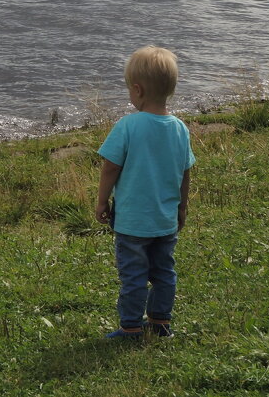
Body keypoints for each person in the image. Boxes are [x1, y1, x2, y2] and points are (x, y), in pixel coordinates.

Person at [95, 46, 195, 340]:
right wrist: (182, 208)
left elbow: (110, 168)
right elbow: (185, 172)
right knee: (164, 272)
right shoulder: (179, 128)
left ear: (137, 90)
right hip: (165, 220)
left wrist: (102, 200)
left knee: (134, 276)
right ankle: (160, 321)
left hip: (132, 222)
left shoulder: (127, 126)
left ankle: (131, 327)